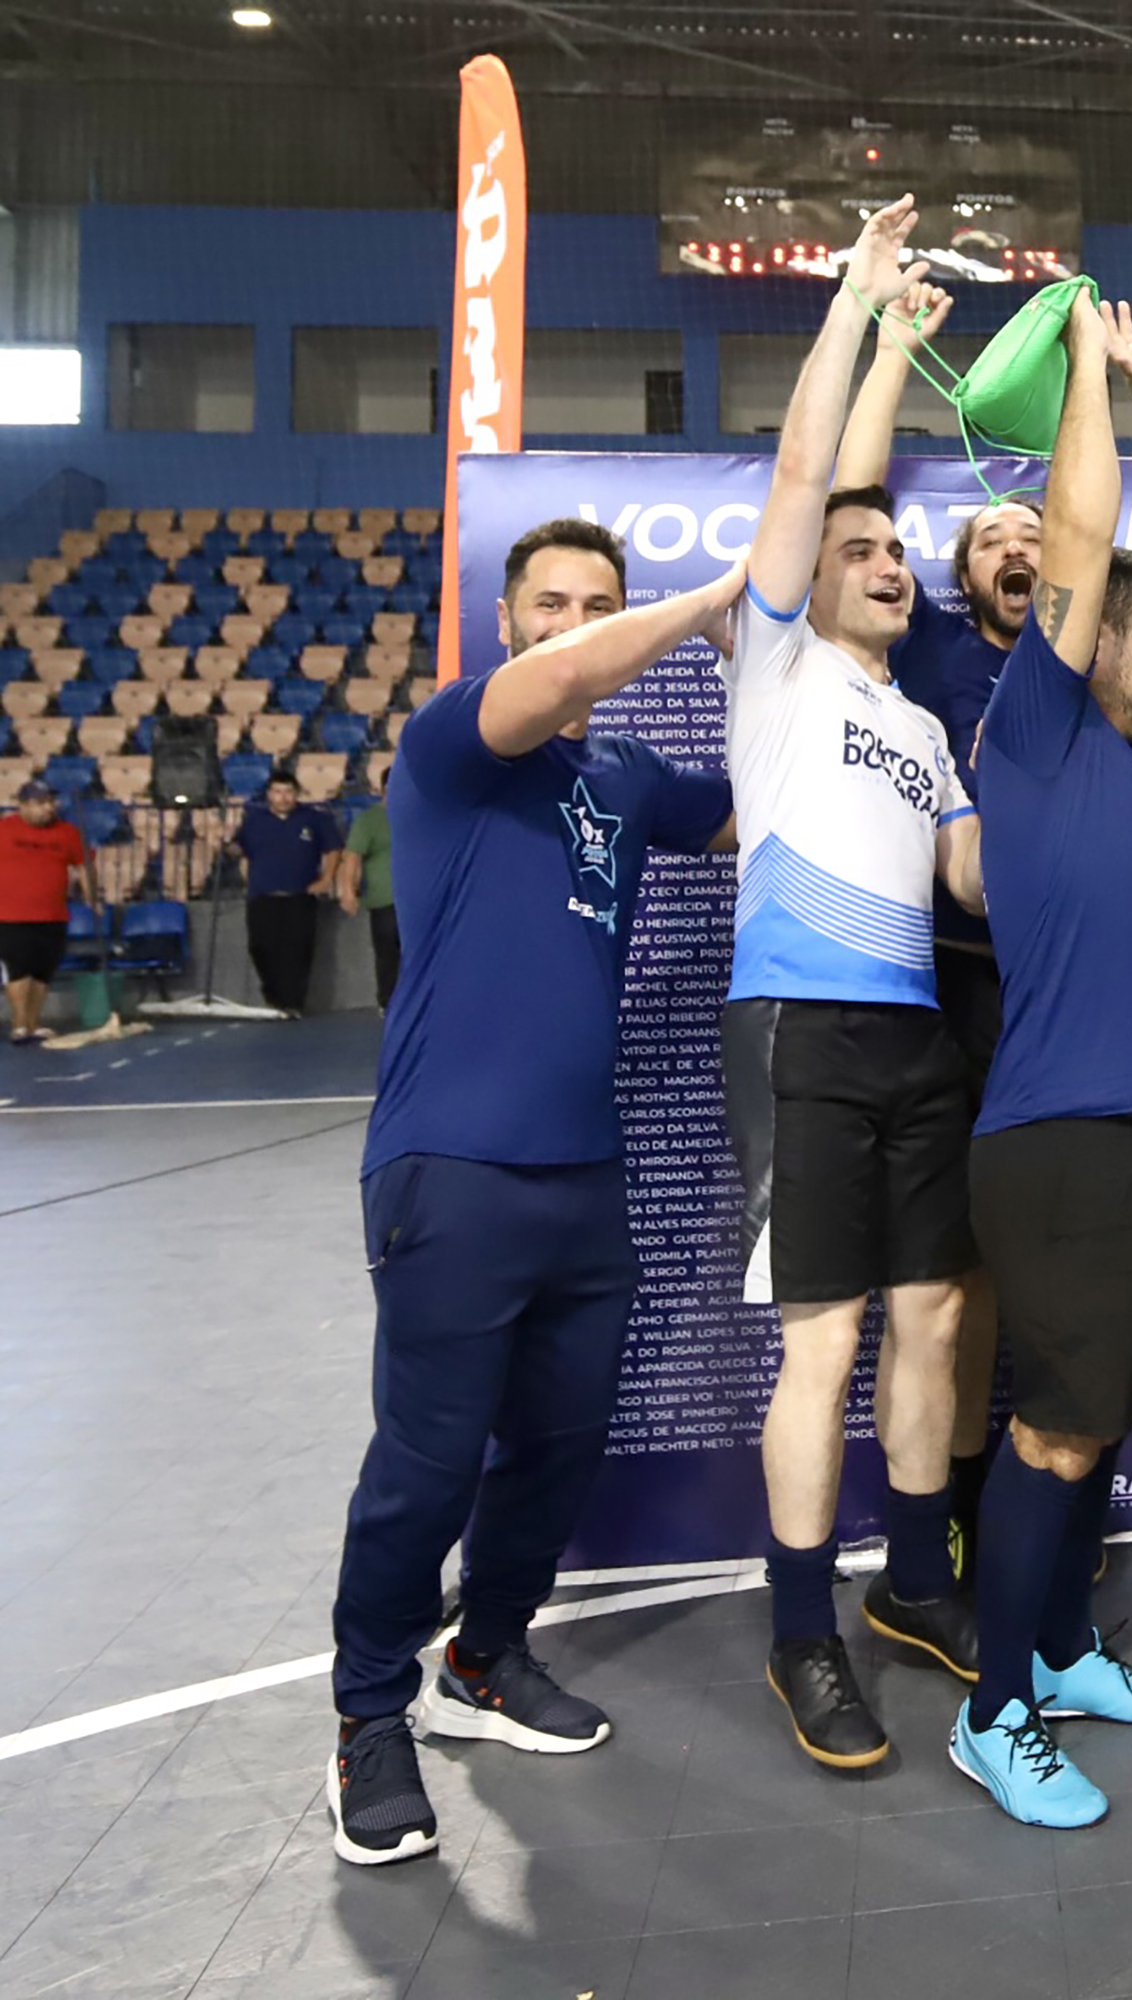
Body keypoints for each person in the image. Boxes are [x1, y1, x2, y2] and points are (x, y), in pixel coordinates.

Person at [325, 516, 738, 1866]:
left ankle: (486, 1658)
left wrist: (759, 658)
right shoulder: (456, 739)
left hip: (584, 1174)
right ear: (510, 623)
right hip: (450, 1166)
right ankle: (369, 1720)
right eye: (550, 602)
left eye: (597, 602)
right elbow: (558, 688)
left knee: (558, 1446)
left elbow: (754, 812)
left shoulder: (621, 773)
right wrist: (718, 595)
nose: (572, 622)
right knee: (426, 1465)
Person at [835, 278, 1132, 1580]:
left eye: (1033, 540)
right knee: (956, 1306)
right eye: (990, 537)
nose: (1023, 549)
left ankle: (1047, 1572)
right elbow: (1081, 530)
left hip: (1090, 1039)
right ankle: (968, 1559)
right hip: (980, 1024)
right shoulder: (1005, 686)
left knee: (1082, 1362)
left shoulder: (1122, 706)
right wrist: (1081, 374)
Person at [721, 197, 989, 1770]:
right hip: (801, 1037)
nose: (887, 560)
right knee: (821, 1347)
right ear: (808, 581)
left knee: (935, 1324)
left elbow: (971, 880)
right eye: (863, 549)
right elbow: (812, 469)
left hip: (918, 1044)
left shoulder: (933, 725)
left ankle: (915, 1583)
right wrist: (860, 313)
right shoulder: (780, 664)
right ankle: (800, 1635)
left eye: (900, 550)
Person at [949, 292, 1132, 1830]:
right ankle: (997, 1715)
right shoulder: (1040, 730)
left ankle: (1055, 1651)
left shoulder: (1129, 750)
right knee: (1049, 1430)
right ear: (1085, 632)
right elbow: (1095, 529)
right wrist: (1100, 388)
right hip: (1055, 1145)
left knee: (1096, 1415)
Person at [233, 768, 339, 1014]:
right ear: (269, 794)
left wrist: (326, 879)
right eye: (278, 792)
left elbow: (334, 849)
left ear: (297, 794)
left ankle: (293, 1004)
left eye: (288, 792)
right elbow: (239, 849)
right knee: (259, 948)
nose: (283, 798)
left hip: (299, 897)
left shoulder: (314, 818)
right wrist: (225, 843)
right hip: (262, 896)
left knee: (298, 951)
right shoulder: (254, 821)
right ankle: (273, 999)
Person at [1, 780, 92, 1045]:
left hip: (52, 914)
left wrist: (91, 898)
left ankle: (34, 1022)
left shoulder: (68, 833)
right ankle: (19, 1024)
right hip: (10, 914)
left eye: (50, 802)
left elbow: (83, 866)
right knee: (18, 969)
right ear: (23, 805)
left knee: (42, 971)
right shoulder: (4, 829)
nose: (48, 808)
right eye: (40, 803)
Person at [339, 764, 399, 1009]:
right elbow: (352, 856)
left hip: (421, 901)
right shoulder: (370, 819)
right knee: (388, 955)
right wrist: (347, 891)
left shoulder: (425, 815)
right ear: (383, 788)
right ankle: (388, 1002)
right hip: (385, 899)